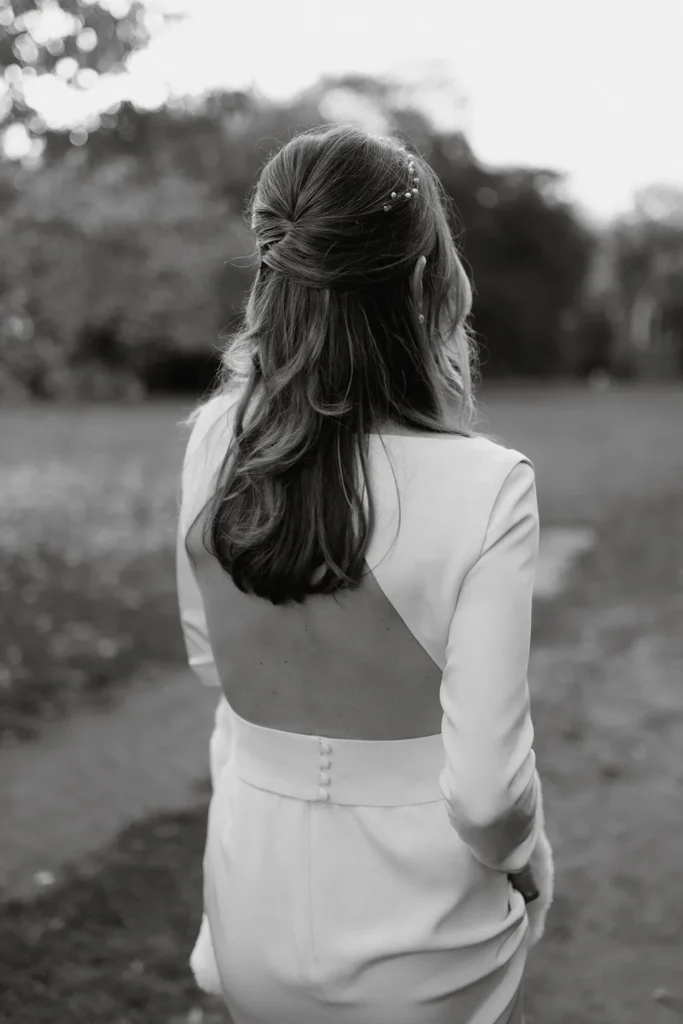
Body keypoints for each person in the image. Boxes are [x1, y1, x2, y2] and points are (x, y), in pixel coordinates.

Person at [176, 123, 553, 1024]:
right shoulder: (487, 486)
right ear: (426, 281)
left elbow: (208, 662)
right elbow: (489, 793)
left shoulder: (213, 440)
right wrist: (528, 858)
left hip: (250, 910)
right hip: (425, 940)